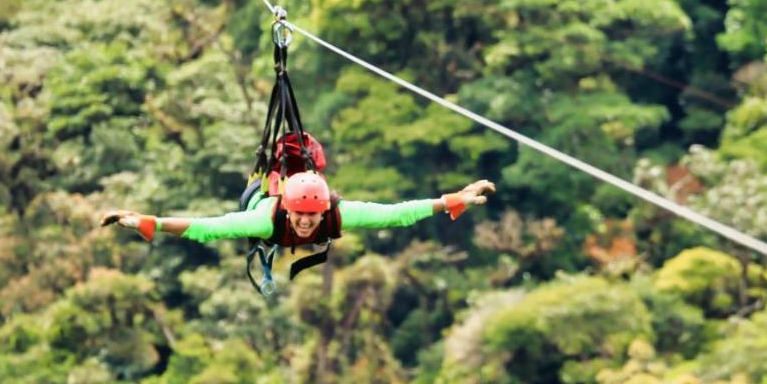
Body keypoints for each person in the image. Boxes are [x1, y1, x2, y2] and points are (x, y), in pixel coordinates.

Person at [99, 173, 495, 246]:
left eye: (312, 217)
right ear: (288, 211)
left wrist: (454, 200)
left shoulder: (338, 213)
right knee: (231, 228)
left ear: (323, 212)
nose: (306, 223)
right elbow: (209, 228)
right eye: (300, 216)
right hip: (259, 200)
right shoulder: (264, 218)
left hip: (290, 203)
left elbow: (396, 213)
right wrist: (149, 223)